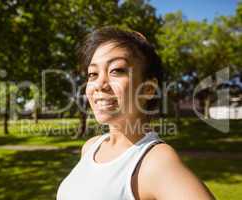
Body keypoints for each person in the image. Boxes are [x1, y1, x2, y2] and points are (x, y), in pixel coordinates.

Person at [56, 26, 215, 200]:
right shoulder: (91, 147)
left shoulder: (155, 161)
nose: (100, 84)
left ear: (148, 89)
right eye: (93, 74)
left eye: (116, 70)